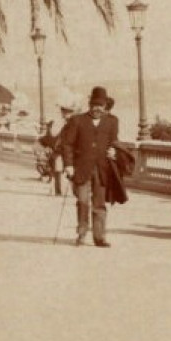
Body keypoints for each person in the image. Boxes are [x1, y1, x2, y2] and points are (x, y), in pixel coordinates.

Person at [58, 86, 120, 247]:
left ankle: (99, 237)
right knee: (83, 201)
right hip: (81, 168)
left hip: (102, 169)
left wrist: (114, 151)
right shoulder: (77, 120)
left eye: (100, 105)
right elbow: (68, 145)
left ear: (105, 105)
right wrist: (69, 165)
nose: (97, 108)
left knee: (99, 203)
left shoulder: (112, 122)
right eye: (94, 104)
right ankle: (81, 234)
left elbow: (114, 142)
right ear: (90, 104)